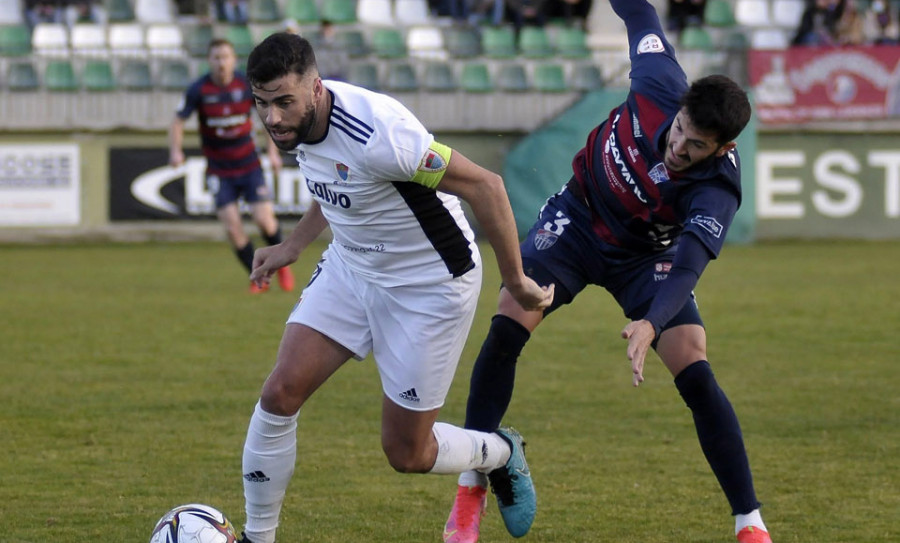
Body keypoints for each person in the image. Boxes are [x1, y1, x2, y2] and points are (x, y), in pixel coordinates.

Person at [442, 1, 773, 542]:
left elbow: (687, 266)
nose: (680, 147)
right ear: (681, 105)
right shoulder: (658, 77)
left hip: (647, 258)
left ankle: (750, 524)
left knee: (693, 366)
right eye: (681, 131)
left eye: (697, 146)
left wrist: (652, 321)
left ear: (724, 148)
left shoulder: (717, 190)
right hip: (576, 219)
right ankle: (473, 482)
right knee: (507, 323)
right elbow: (639, 12)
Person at [235, 32, 555, 543]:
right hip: (353, 267)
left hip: (428, 285)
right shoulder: (299, 126)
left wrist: (516, 282)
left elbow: (486, 186)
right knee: (279, 392)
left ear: (315, 89)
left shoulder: (380, 133)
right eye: (262, 104)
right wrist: (293, 245)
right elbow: (337, 182)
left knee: (408, 453)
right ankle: (258, 536)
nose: (272, 118)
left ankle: (501, 452)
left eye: (283, 103)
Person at [168, 38, 295, 294]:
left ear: (233, 59)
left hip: (249, 165)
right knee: (232, 228)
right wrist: (175, 151)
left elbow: (268, 117)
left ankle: (282, 265)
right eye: (216, 57)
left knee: (265, 221)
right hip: (219, 170)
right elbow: (177, 120)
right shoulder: (199, 89)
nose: (221, 62)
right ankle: (257, 276)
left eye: (225, 57)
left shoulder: (246, 85)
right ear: (209, 61)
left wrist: (273, 152)